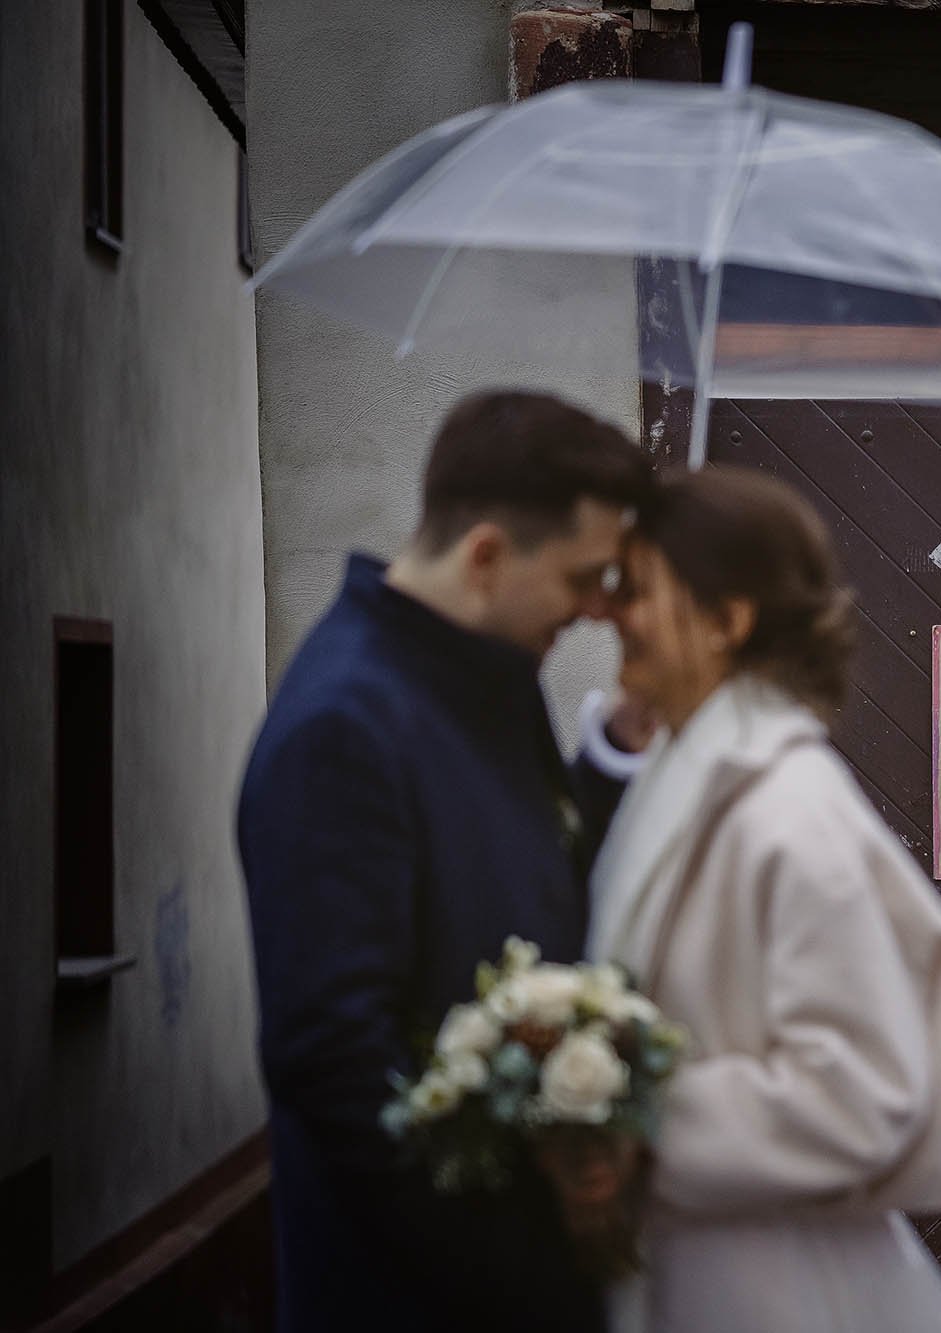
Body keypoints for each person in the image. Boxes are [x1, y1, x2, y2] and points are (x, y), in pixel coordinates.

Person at [237, 390, 656, 1333]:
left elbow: (525, 866)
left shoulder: (480, 671)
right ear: (486, 557)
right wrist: (517, 1272)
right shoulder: (343, 725)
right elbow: (335, 1063)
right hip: (427, 1297)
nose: (599, 609)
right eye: (586, 576)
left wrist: (620, 751)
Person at [582, 466, 941, 1333]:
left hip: (774, 1288)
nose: (611, 612)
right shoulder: (691, 775)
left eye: (638, 588)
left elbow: (863, 1089)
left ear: (727, 621)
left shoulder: (789, 811)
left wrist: (633, 1124)